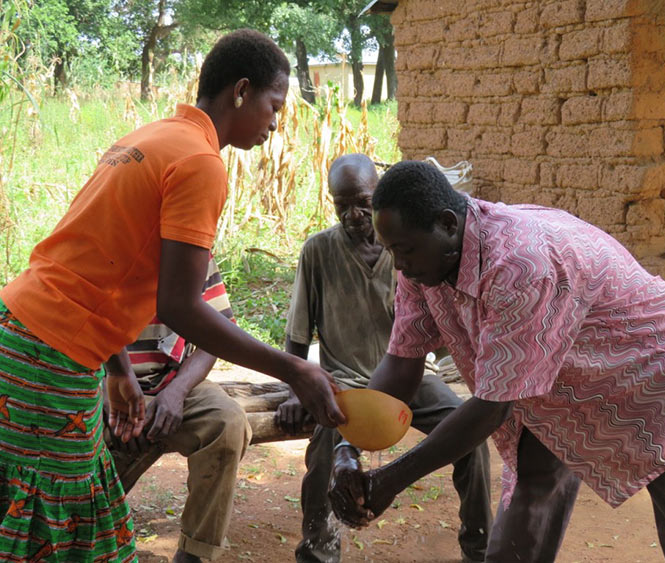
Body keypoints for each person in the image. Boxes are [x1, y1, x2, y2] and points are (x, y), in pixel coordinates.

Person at [0, 29, 343, 562]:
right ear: (241, 90)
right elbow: (180, 305)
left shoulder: (150, 138)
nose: (276, 124)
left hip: (25, 330)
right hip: (52, 355)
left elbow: (95, 263)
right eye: (274, 107)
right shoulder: (201, 163)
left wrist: (118, 371)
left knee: (50, 510)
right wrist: (294, 370)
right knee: (58, 528)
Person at [328, 160, 665, 563]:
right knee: (531, 495)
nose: (399, 265)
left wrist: (390, 481)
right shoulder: (422, 265)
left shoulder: (519, 264)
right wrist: (350, 446)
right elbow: (402, 364)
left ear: (447, 224)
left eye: (404, 251)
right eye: (391, 252)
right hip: (555, 382)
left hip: (650, 370)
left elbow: (491, 408)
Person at [274, 154, 492, 563]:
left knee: (470, 438)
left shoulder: (408, 248)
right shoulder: (319, 252)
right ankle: (319, 553)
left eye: (362, 203)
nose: (353, 215)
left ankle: (478, 549)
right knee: (325, 449)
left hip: (410, 380)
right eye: (341, 205)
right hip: (345, 386)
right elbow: (297, 336)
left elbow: (441, 332)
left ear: (378, 198)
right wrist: (294, 389)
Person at [105, 255, 249, 563]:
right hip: (105, 385)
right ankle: (86, 540)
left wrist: (178, 391)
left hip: (173, 383)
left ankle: (194, 551)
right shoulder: (110, 244)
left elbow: (215, 337)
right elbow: (78, 327)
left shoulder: (195, 254)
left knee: (228, 423)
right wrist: (109, 397)